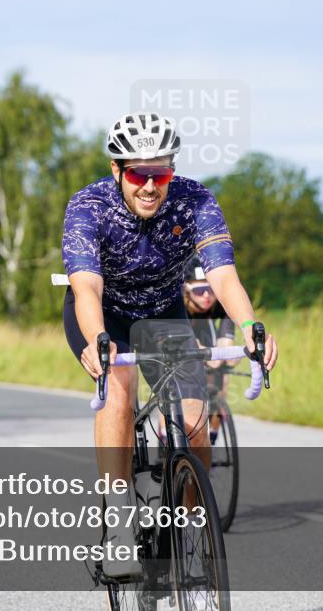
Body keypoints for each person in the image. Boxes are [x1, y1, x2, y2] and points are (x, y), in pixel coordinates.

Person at [62, 112, 278, 576]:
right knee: (118, 387)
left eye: (160, 173)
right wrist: (99, 339)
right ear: (118, 170)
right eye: (139, 173)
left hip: (163, 312)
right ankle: (119, 524)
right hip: (105, 314)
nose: (149, 186)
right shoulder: (88, 207)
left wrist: (249, 327)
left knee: (196, 422)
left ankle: (185, 521)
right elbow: (87, 289)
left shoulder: (195, 200)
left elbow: (221, 274)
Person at [181, 254, 237, 445]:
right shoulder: (178, 303)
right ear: (186, 290)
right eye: (200, 290)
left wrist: (228, 350)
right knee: (174, 389)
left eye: (211, 289)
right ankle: (167, 435)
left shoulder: (217, 301)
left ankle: (211, 435)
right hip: (180, 334)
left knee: (220, 379)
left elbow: (227, 331)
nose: (206, 296)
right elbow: (189, 340)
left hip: (206, 331)